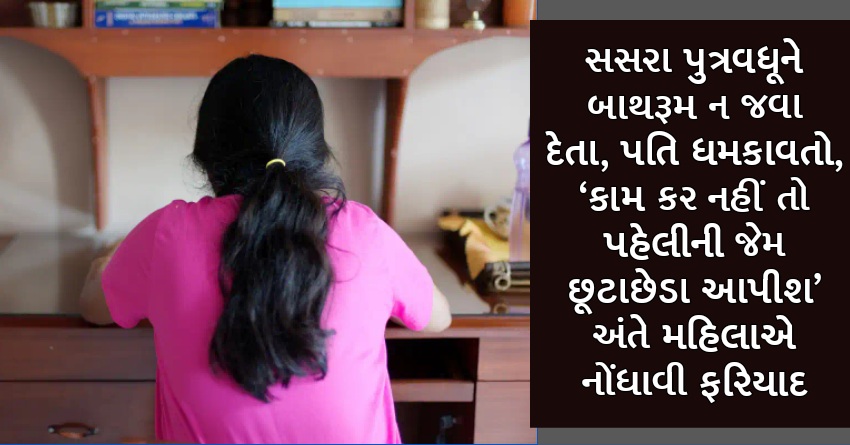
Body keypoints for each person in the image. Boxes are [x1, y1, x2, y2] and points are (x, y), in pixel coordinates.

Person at [78, 54, 452, 444]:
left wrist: (112, 256)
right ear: (315, 149)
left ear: (206, 153)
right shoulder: (365, 233)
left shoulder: (165, 235)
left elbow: (93, 306)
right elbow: (437, 318)